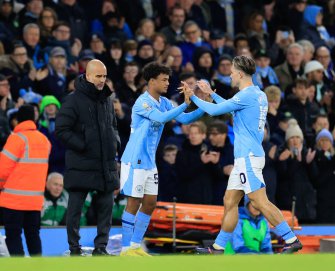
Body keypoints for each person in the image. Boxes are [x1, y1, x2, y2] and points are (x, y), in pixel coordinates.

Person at [187, 55, 302, 254]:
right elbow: (232, 109)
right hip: (247, 156)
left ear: (240, 73)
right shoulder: (258, 94)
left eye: (232, 72)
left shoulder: (246, 95)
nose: (230, 75)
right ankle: (218, 247)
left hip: (248, 156)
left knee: (259, 201)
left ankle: (291, 239)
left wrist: (195, 97)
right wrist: (212, 95)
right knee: (230, 201)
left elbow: (216, 112)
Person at [119, 62, 204, 256]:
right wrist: (185, 103)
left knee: (150, 203)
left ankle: (135, 246)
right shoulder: (142, 102)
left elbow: (184, 119)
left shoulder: (164, 102)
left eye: (168, 79)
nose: (168, 83)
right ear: (151, 81)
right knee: (134, 202)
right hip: (135, 159)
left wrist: (203, 105)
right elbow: (160, 119)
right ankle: (125, 249)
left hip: (149, 161)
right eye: (164, 80)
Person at [56, 59, 120, 256]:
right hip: (82, 163)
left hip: (105, 163)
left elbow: (113, 126)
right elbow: (61, 130)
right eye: (98, 76)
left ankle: (101, 247)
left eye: (104, 76)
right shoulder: (73, 100)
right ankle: (74, 248)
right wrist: (84, 145)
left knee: (106, 207)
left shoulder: (107, 100)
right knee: (75, 208)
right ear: (87, 75)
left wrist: (115, 143)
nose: (102, 80)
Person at [0, 105, 51, 256]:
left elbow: (2, 170)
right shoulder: (44, 140)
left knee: (13, 237)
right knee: (33, 236)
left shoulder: (16, 138)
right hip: (35, 202)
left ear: (18, 119)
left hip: (13, 201)